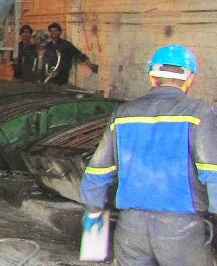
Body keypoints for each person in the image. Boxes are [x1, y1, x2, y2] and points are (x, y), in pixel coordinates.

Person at [79, 44, 216, 265]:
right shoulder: (199, 114)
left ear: (152, 77)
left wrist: (94, 212)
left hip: (130, 229)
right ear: (190, 77)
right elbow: (214, 171)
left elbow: (97, 170)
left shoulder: (123, 114)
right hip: (181, 230)